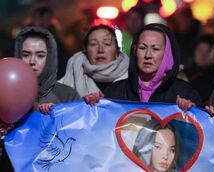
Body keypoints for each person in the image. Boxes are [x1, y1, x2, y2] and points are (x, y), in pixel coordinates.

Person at [0, 26, 81, 171]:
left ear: (50, 57)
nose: (32, 61)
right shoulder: (3, 89)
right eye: (25, 54)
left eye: (40, 55)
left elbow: (81, 140)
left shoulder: (66, 95)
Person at [103, 23, 202, 109]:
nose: (148, 55)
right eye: (142, 48)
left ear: (167, 54)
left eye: (155, 49)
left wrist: (191, 112)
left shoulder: (185, 93)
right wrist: (93, 103)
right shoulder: (115, 92)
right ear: (134, 51)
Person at [59, 24, 129, 97]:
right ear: (86, 50)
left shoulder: (132, 78)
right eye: (93, 44)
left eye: (107, 44)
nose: (100, 50)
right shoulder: (70, 77)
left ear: (117, 51)